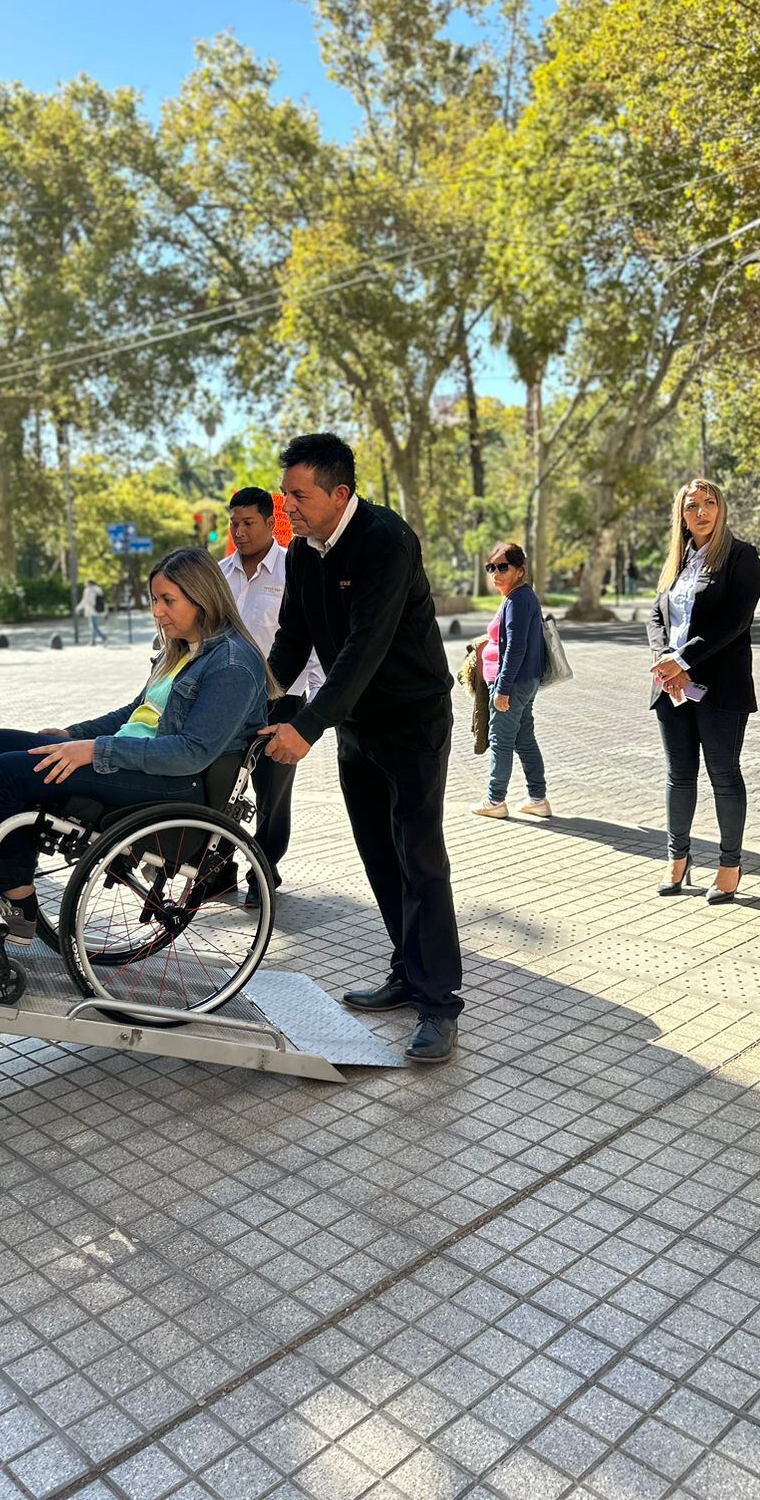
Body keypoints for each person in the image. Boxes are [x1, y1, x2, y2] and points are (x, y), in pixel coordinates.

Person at [264, 433, 463, 1065]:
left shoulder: (386, 540)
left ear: (339, 493)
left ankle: (439, 1004)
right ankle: (407, 970)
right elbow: (294, 638)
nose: (287, 507)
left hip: (411, 722)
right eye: (284, 494)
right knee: (379, 854)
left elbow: (364, 648)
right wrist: (260, 699)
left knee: (420, 856)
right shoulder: (302, 553)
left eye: (298, 495)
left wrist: (307, 727)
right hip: (358, 726)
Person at [0, 548, 272, 943]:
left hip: (173, 783)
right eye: (155, 600)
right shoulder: (182, 649)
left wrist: (94, 750)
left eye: (168, 601)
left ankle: (16, 900)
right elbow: (135, 713)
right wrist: (74, 735)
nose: (158, 612)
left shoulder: (232, 664)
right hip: (132, 761)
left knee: (7, 773)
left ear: (202, 596)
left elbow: (191, 752)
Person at [648, 477, 760, 904]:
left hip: (719, 689)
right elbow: (655, 616)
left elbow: (734, 622)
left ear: (721, 507)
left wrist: (681, 661)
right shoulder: (675, 561)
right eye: (692, 505)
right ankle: (677, 859)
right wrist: (664, 659)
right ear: (681, 514)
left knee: (724, 777)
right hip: (671, 689)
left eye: (709, 503)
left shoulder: (740, 556)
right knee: (679, 777)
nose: (701, 512)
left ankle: (730, 865)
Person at [221, 486, 324, 908]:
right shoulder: (219, 573)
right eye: (234, 524)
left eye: (248, 523)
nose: (240, 532)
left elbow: (312, 640)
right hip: (227, 699)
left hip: (282, 700)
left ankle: (262, 874)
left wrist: (312, 709)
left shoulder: (293, 569)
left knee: (271, 793)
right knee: (221, 786)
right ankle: (218, 869)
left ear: (269, 522)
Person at [471, 542, 551, 820]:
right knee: (524, 739)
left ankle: (495, 800)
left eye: (503, 566)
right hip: (524, 681)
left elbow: (515, 647)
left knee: (501, 740)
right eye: (491, 567)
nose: (496, 572)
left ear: (520, 570)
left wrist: (502, 689)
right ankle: (538, 799)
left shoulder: (518, 600)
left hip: (512, 684)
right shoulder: (518, 597)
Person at [77, 579, 108, 646]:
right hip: (97, 610)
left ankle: (104, 638)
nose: (84, 584)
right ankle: (93, 641)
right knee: (93, 626)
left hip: (91, 610)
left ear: (89, 583)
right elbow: (102, 600)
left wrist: (78, 608)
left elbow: (85, 600)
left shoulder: (88, 590)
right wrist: (105, 612)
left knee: (93, 626)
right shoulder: (98, 589)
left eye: (85, 583)